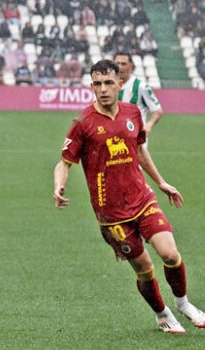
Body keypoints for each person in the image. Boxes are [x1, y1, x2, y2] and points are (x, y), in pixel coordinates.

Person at [53, 59, 205, 334]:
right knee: (144, 267)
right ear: (91, 86)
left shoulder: (133, 113)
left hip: (142, 198)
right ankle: (162, 314)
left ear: (120, 84)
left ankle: (183, 303)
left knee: (170, 254)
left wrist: (160, 182)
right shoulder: (82, 123)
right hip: (111, 215)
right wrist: (58, 186)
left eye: (109, 83)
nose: (103, 89)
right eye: (97, 84)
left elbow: (140, 151)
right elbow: (64, 162)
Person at [114, 52, 162, 144]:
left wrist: (149, 125)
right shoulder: (106, 86)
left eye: (123, 64)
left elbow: (158, 111)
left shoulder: (141, 86)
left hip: (136, 139)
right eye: (117, 63)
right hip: (113, 139)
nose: (119, 67)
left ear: (130, 66)